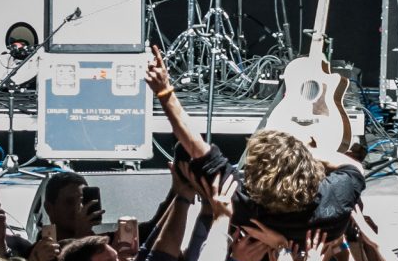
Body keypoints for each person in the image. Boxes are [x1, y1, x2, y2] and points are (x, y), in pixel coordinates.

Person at [145, 44, 365, 242]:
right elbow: (354, 167)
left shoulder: (239, 201)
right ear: (308, 169)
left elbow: (193, 146)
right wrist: (308, 150)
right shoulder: (335, 197)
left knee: (184, 155)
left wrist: (164, 91)